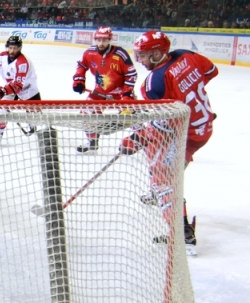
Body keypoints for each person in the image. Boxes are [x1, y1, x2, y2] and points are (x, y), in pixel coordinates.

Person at [119, 30, 219, 256]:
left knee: (164, 179)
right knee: (165, 168)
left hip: (184, 133)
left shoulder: (154, 81)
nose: (140, 60)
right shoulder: (187, 55)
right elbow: (211, 71)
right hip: (203, 126)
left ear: (156, 53)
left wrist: (139, 137)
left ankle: (182, 232)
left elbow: (163, 125)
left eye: (143, 56)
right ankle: (159, 193)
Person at [72, 26, 137, 153]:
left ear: (110, 39)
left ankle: (143, 139)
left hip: (120, 93)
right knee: (85, 113)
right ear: (95, 39)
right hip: (99, 92)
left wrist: (127, 95)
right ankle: (92, 141)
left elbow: (131, 75)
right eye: (99, 40)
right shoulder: (89, 53)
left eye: (105, 40)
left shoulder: (120, 54)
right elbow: (81, 65)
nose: (101, 43)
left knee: (134, 117)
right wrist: (78, 80)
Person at [0, 35, 41, 143]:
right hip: (10, 88)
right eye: (10, 48)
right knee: (3, 111)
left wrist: (1, 91)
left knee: (34, 114)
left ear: (19, 48)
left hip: (28, 89)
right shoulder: (2, 57)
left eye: (15, 48)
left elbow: (17, 85)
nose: (12, 51)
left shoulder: (22, 63)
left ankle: (32, 123)